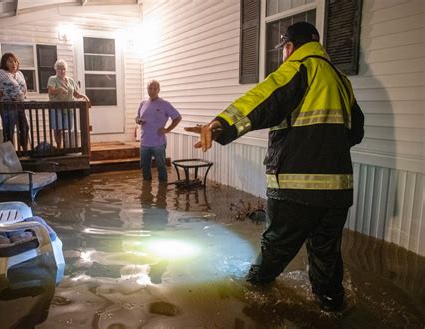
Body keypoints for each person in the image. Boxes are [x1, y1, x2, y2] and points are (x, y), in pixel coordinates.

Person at [185, 22, 364, 311]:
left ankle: (250, 299)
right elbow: (356, 133)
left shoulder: (300, 66)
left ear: (290, 47)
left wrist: (222, 124)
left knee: (274, 251)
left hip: (296, 188)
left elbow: (264, 99)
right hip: (338, 193)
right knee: (326, 256)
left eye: (284, 50)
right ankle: (333, 307)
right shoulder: (342, 81)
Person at [135, 80, 182, 182]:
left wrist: (167, 129)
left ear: (159, 90)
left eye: (154, 88)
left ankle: (162, 191)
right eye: (149, 88)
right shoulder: (143, 103)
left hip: (158, 143)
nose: (152, 91)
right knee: (144, 167)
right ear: (147, 90)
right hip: (144, 143)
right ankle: (147, 191)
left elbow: (178, 117)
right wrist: (138, 120)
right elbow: (137, 117)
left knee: (161, 166)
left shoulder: (164, 104)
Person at [0, 52, 29, 151]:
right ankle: (10, 153)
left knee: (24, 128)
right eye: (10, 61)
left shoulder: (19, 73)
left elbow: (24, 87)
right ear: (5, 63)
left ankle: (24, 151)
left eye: (15, 61)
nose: (13, 64)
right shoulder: (1, 72)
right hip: (7, 106)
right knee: (9, 131)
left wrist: (23, 95)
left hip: (20, 106)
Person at [47, 59, 90, 148]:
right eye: (59, 69)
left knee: (67, 129)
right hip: (56, 107)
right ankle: (59, 147)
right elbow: (51, 91)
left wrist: (84, 96)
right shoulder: (52, 79)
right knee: (58, 128)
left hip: (69, 108)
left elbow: (75, 94)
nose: (62, 71)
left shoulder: (70, 80)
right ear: (56, 69)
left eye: (63, 69)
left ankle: (66, 147)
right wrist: (59, 90)